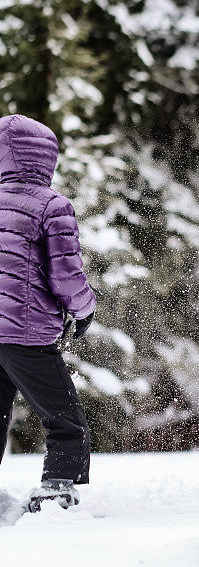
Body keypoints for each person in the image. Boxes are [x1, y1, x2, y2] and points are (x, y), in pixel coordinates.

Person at [0, 114, 96, 512]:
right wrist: (84, 310)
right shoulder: (52, 206)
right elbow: (65, 271)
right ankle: (58, 489)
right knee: (66, 420)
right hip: (27, 336)